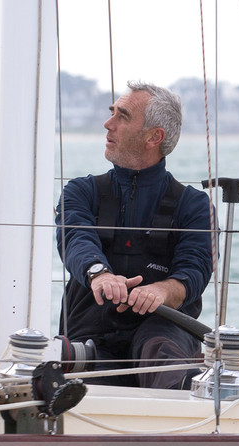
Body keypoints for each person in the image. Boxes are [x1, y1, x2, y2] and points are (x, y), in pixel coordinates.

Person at [56, 81, 214, 389]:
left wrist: (162, 292)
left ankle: (180, 423)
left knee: (159, 352)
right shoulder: (81, 192)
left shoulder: (194, 206)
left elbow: (195, 270)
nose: (108, 123)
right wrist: (99, 275)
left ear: (154, 137)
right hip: (93, 329)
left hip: (164, 329)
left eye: (123, 116)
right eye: (112, 112)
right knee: (85, 361)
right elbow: (75, 237)